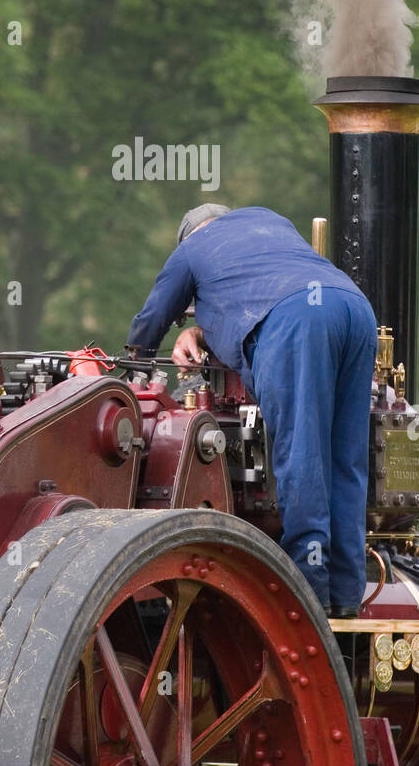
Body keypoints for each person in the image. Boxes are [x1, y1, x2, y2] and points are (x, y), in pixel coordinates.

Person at [126, 203, 378, 616]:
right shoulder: (268, 219)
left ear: (188, 235)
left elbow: (153, 317)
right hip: (354, 308)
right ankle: (347, 597)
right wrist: (201, 333)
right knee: (346, 460)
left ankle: (309, 598)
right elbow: (258, 286)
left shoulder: (192, 249)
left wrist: (135, 368)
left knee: (303, 454)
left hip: (299, 322)